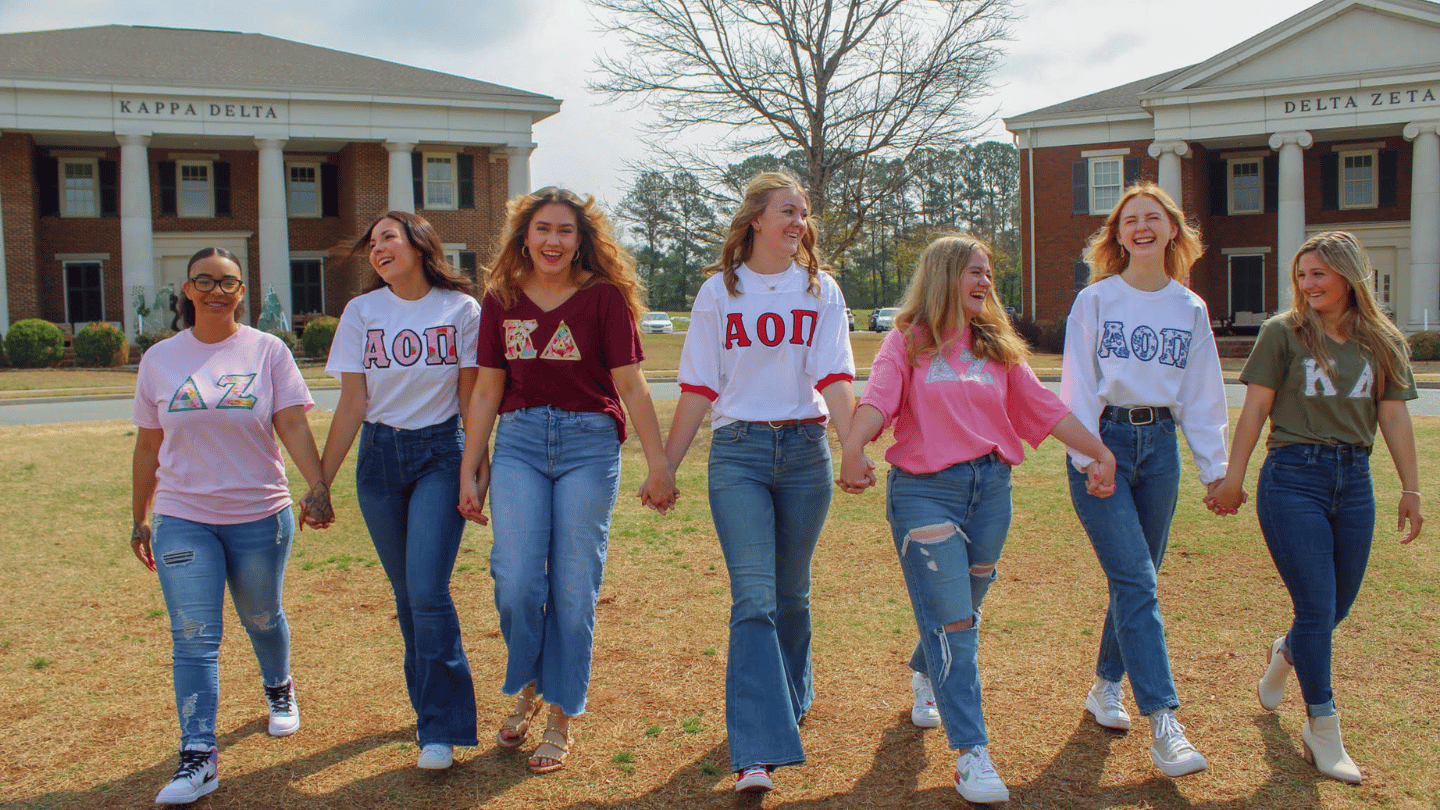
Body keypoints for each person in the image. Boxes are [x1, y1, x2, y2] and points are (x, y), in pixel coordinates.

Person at [837, 234, 1117, 803]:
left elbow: (1043, 407)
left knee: (964, 606)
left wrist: (1098, 452)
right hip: (924, 492)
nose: (985, 283)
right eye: (974, 272)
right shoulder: (907, 341)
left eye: (988, 274)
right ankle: (972, 753)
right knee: (957, 626)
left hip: (990, 490)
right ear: (944, 275)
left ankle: (925, 672)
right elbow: (879, 399)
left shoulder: (995, 346)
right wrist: (852, 446)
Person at [458, 187, 675, 775]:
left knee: (576, 587)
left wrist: (659, 465)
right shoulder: (500, 299)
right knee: (517, 580)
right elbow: (485, 388)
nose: (553, 241)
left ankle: (559, 711)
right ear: (524, 236)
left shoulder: (603, 300)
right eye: (543, 229)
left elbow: (631, 386)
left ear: (582, 241)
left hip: (587, 444)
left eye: (566, 231)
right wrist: (470, 467)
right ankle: (527, 680)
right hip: (520, 444)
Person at [658, 171, 857, 794]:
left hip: (804, 452)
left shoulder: (820, 290)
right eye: (786, 211)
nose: (798, 221)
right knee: (755, 599)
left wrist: (851, 448)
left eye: (802, 213)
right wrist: (665, 465)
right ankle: (755, 749)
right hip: (738, 454)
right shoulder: (719, 292)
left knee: (792, 595)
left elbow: (834, 374)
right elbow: (697, 386)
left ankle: (791, 695)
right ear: (755, 221)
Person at [1206, 231, 1422, 783]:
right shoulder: (1284, 333)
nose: (1308, 285)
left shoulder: (1383, 341)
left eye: (1319, 274)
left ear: (1349, 276)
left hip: (1354, 480)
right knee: (1316, 607)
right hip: (1292, 478)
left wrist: (1411, 489)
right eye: (1302, 275)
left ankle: (1286, 652)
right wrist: (1235, 477)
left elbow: (1394, 418)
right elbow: (1255, 408)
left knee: (1333, 612)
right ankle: (1322, 727)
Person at [131, 247, 332, 805]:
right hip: (182, 516)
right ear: (188, 291)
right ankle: (198, 754)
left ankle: (279, 688)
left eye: (229, 282)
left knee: (262, 616)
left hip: (260, 512)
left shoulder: (268, 351)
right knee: (195, 636)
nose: (217, 291)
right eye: (205, 281)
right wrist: (138, 516)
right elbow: (149, 442)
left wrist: (317, 486)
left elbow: (291, 421)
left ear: (242, 291)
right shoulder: (160, 358)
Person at [1060, 181, 1232, 778]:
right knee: (1137, 581)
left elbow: (1203, 396)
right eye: (1129, 219)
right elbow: (1078, 386)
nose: (1140, 226)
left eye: (1152, 217)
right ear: (1117, 235)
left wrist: (1216, 470)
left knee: (1138, 580)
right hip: (1103, 442)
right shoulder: (1096, 301)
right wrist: (1089, 457)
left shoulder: (1189, 308)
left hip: (1158, 447)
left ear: (1172, 231)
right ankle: (1165, 722)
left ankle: (1107, 684)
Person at [320, 211, 481, 770]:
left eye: (389, 236)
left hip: (441, 453)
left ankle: (443, 727)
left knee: (428, 592)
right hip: (379, 459)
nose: (377, 247)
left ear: (420, 244)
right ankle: (429, 715)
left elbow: (471, 397)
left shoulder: (460, 309)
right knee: (410, 597)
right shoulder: (362, 312)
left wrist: (473, 468)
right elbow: (352, 403)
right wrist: (320, 480)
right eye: (372, 242)